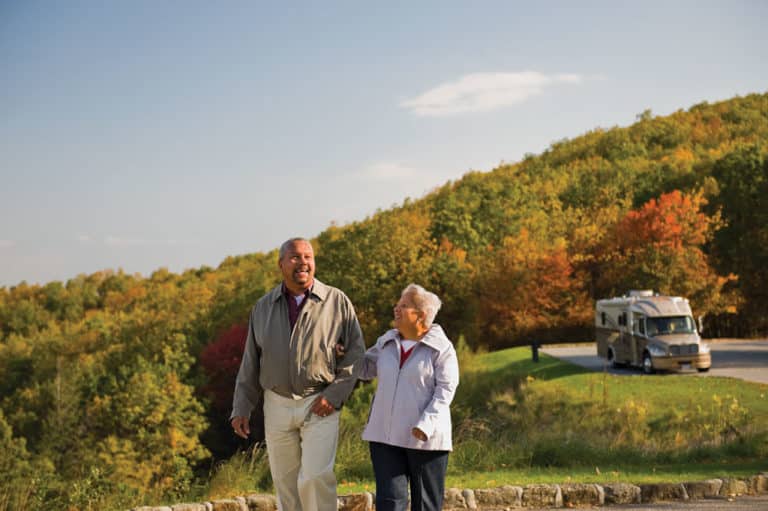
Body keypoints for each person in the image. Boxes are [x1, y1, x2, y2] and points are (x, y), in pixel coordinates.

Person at [231, 237, 365, 511]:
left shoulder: (336, 301)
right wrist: (242, 407)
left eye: (308, 257)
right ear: (281, 264)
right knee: (285, 484)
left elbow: (356, 353)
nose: (303, 262)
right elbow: (251, 361)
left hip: (320, 402)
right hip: (276, 403)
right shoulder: (263, 307)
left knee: (315, 477)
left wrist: (335, 395)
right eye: (295, 257)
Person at [359, 283, 460, 511]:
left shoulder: (441, 349)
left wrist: (426, 424)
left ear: (421, 316)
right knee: (389, 503)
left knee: (425, 504)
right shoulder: (387, 341)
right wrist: (343, 354)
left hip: (425, 439)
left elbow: (446, 389)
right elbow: (365, 369)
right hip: (384, 436)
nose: (396, 309)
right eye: (398, 304)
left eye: (404, 305)